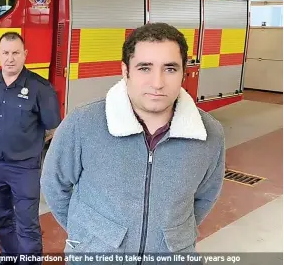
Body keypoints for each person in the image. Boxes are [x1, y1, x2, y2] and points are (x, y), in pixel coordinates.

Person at [41, 23, 225, 258]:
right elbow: (54, 185)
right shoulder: (83, 124)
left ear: (183, 71)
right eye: (144, 68)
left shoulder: (209, 134)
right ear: (125, 71)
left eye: (170, 69)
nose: (157, 83)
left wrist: (170, 238)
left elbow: (206, 196)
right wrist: (91, 237)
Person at [0, 32, 61, 264]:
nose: (10, 58)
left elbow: (52, 126)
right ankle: (9, 258)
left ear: (25, 55)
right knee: (2, 218)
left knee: (26, 223)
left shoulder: (40, 88)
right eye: (5, 53)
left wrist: (29, 147)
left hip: (24, 168)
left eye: (15, 53)